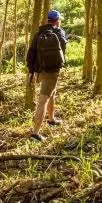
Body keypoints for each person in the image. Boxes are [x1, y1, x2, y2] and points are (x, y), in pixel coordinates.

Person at [26, 9, 67, 141]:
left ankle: (51, 119)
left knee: (51, 93)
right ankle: (35, 133)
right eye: (59, 20)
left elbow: (30, 54)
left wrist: (31, 71)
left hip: (40, 70)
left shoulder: (39, 33)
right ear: (57, 21)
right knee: (43, 100)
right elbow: (63, 51)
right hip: (52, 71)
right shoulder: (59, 32)